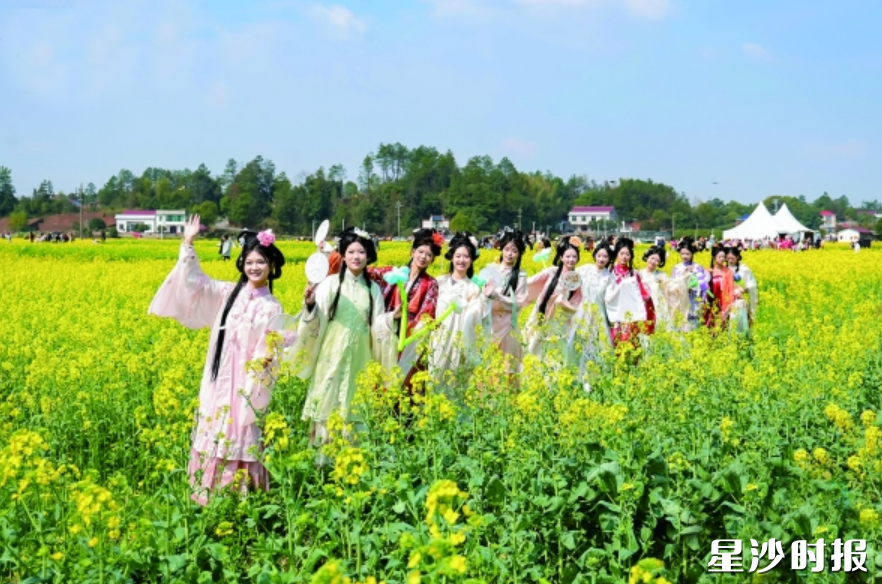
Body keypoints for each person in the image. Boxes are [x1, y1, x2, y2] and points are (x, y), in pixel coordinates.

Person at [147, 217, 288, 505]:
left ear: (271, 266)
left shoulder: (272, 306)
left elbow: (273, 348)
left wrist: (271, 355)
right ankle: (207, 495)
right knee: (214, 423)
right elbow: (194, 282)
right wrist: (188, 243)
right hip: (218, 378)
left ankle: (240, 498)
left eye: (260, 262)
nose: (254, 267)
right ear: (241, 265)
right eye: (249, 262)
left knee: (241, 427)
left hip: (246, 384)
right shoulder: (227, 294)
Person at [294, 228, 397, 462]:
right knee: (328, 404)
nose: (356, 256)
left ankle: (352, 464)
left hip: (361, 356)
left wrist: (392, 318)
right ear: (343, 254)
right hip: (332, 353)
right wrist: (309, 304)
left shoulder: (373, 290)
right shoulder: (330, 284)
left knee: (354, 404)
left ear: (369, 255)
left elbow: (378, 324)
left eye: (361, 251)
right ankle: (323, 464)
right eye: (351, 252)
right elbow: (317, 319)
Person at [368, 228, 442, 390]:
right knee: (380, 379)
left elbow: (427, 313)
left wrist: (410, 330)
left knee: (405, 384)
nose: (423, 257)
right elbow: (367, 274)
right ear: (412, 251)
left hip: (408, 339)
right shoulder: (392, 272)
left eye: (429, 255)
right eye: (420, 252)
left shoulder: (431, 283)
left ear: (432, 260)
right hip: (386, 330)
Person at [429, 233, 489, 392]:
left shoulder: (474, 289)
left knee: (456, 383)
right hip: (437, 340)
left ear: (471, 260)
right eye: (458, 256)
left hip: (459, 342)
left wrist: (486, 298)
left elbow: (477, 318)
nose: (461, 260)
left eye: (466, 257)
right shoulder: (438, 282)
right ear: (451, 257)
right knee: (434, 378)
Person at [524, 236, 583, 366]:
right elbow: (531, 281)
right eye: (567, 256)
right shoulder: (551, 271)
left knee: (557, 349)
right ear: (561, 257)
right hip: (543, 315)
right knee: (537, 346)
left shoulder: (575, 278)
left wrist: (564, 304)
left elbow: (576, 301)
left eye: (574, 256)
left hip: (560, 319)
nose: (571, 260)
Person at [484, 228, 529, 372]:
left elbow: (520, 303)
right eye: (507, 249)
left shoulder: (520, 275)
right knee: (488, 365)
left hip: (509, 325)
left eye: (514, 251)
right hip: (490, 323)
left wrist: (498, 297)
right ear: (501, 249)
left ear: (519, 253)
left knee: (508, 367)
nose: (510, 254)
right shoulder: (490, 269)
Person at [572, 241, 614, 385]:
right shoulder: (584, 269)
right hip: (581, 311)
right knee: (578, 342)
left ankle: (593, 379)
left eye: (605, 257)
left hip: (598, 314)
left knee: (596, 345)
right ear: (594, 255)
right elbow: (568, 283)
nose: (601, 259)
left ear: (609, 259)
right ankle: (576, 377)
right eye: (599, 255)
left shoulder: (609, 276)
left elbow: (611, 298)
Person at [605, 238, 655, 352]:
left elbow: (641, 293)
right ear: (616, 254)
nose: (624, 257)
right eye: (621, 253)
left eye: (627, 254)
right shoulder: (610, 272)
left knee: (631, 343)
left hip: (630, 317)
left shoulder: (634, 274)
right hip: (614, 315)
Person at [669, 237, 709, 332]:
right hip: (680, 300)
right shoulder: (677, 268)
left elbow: (703, 285)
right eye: (682, 253)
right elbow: (672, 285)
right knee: (680, 324)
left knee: (693, 324)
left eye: (687, 254)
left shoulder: (698, 267)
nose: (685, 256)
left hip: (694, 300)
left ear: (692, 254)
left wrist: (694, 288)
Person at [638, 246, 673, 330]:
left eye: (657, 260)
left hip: (657, 308)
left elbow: (672, 287)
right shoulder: (639, 273)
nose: (653, 262)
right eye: (652, 258)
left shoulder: (661, 275)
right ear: (647, 257)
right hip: (642, 306)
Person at [703, 245, 736, 333]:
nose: (722, 259)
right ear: (714, 257)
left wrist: (729, 306)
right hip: (711, 303)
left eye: (723, 257)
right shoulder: (708, 271)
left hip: (724, 303)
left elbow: (731, 289)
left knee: (723, 327)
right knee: (710, 327)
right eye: (719, 257)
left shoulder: (728, 271)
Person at [726, 247, 758, 329]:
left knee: (740, 321)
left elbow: (752, 284)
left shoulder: (744, 269)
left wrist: (745, 289)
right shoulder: (724, 269)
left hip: (740, 300)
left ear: (737, 257)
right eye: (728, 258)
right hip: (727, 300)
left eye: (732, 258)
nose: (730, 260)